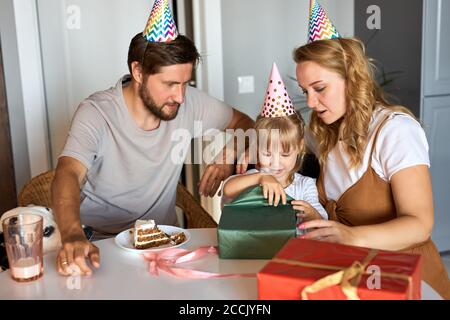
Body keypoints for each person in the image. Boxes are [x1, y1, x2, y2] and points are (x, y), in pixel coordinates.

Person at [52, 2, 254, 277]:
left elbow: (246, 124)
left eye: (185, 84)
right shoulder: (97, 111)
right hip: (99, 244)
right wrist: (73, 234)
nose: (180, 97)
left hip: (163, 246)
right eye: (170, 84)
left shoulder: (188, 102)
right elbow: (67, 173)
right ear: (138, 72)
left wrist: (227, 156)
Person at [293, 36, 450, 298]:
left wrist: (352, 236)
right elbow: (279, 143)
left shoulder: (395, 131)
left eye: (319, 88)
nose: (310, 102)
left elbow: (421, 224)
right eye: (305, 91)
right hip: (356, 275)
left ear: (352, 80)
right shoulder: (325, 131)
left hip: (406, 277)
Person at [223, 64, 327, 223]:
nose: (275, 162)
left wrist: (312, 214)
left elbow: (321, 220)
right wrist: (261, 178)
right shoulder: (255, 178)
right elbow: (228, 189)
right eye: (267, 153)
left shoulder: (305, 186)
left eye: (285, 154)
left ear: (299, 147)